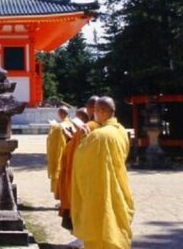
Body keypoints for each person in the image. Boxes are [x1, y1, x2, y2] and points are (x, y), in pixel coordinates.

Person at [72, 97, 134, 249]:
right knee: (116, 224)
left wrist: (84, 139)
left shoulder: (98, 136)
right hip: (118, 186)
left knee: (102, 230)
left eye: (94, 111)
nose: (92, 115)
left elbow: (81, 161)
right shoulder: (121, 131)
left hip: (101, 190)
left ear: (101, 111)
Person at [57, 107, 97, 231]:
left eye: (80, 117)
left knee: (78, 205)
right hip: (72, 171)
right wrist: (70, 137)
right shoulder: (85, 129)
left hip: (78, 172)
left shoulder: (91, 128)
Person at [47, 106, 72, 200]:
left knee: (59, 175)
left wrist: (52, 126)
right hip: (70, 152)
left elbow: (52, 138)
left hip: (61, 153)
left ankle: (61, 198)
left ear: (60, 114)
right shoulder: (71, 123)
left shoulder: (59, 126)